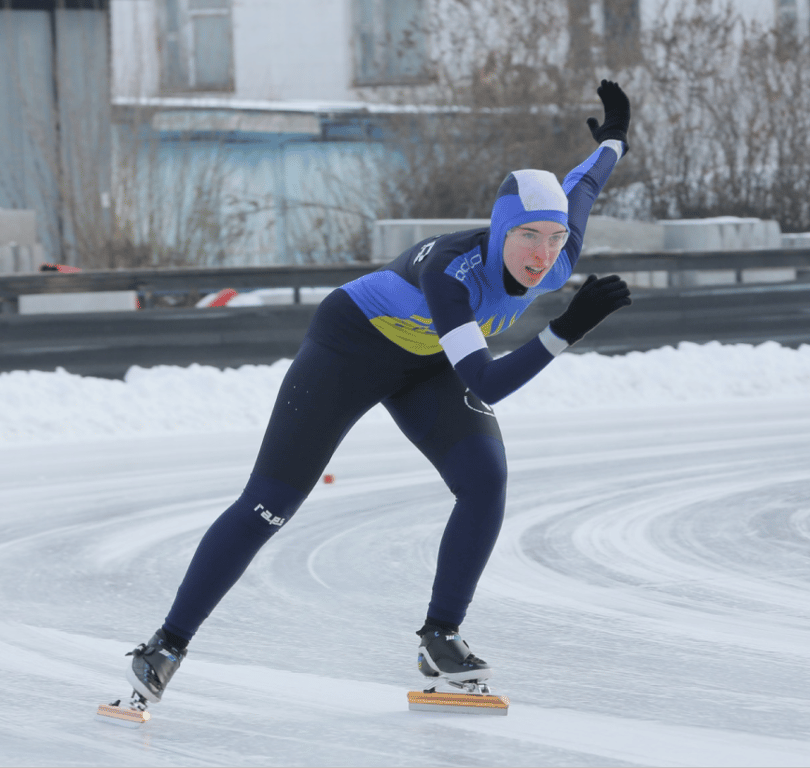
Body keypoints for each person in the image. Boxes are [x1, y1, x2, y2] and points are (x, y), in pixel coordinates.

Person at [124, 80, 634, 705]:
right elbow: (485, 381)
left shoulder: (557, 253)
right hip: (349, 350)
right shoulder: (452, 272)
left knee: (485, 480)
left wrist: (614, 136)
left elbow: (583, 185)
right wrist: (564, 330)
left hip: (426, 363)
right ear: (501, 230)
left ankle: (440, 638)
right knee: (270, 505)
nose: (543, 254)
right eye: (528, 236)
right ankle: (167, 643)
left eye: (554, 240)